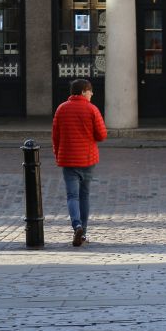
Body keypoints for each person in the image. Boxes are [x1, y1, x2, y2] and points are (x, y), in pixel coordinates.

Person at [52, 79, 107, 247]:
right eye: (90, 91)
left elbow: (56, 136)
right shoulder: (92, 109)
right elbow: (102, 135)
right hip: (87, 159)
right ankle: (83, 230)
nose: (92, 94)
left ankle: (76, 225)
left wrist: (58, 154)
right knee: (84, 195)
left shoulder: (61, 109)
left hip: (68, 159)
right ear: (83, 91)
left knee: (72, 196)